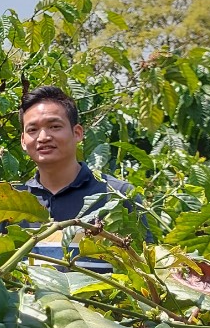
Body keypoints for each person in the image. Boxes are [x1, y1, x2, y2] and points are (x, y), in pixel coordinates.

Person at [18, 85, 138, 269]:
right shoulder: (13, 201)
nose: (43, 137)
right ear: (23, 141)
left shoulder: (118, 195)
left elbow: (142, 270)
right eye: (32, 130)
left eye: (54, 126)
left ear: (77, 133)